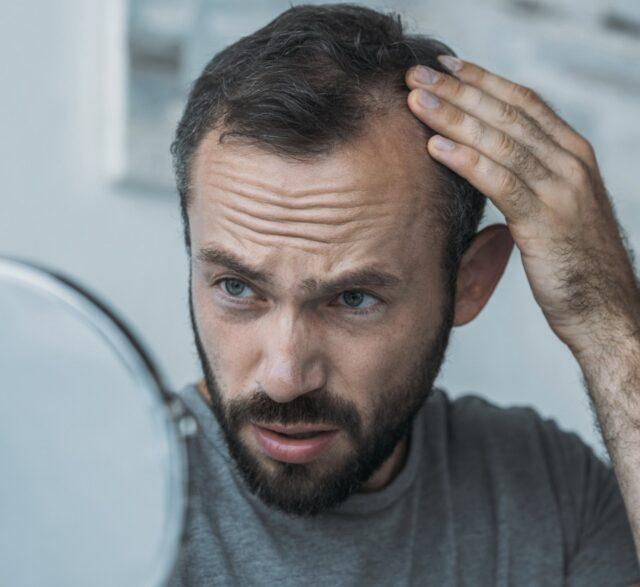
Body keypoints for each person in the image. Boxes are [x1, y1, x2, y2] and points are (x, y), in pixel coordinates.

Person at [165, 4, 640, 585]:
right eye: (237, 288)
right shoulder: (97, 494)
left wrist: (608, 323)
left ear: (470, 282)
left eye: (354, 299)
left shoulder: (547, 490)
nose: (285, 377)